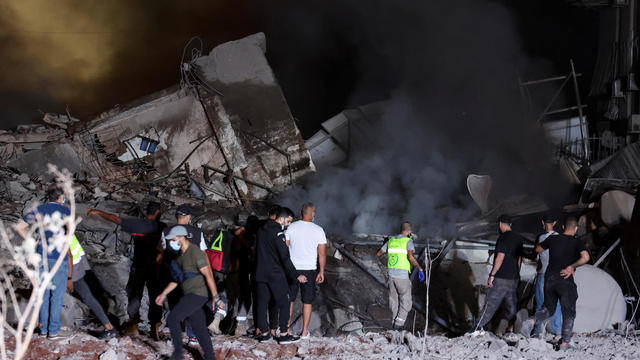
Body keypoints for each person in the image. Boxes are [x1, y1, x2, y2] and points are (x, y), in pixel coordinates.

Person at [87, 202, 165, 337]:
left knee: (135, 293)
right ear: (158, 212)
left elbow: (116, 219)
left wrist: (98, 212)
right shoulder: (162, 227)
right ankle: (155, 323)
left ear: (148, 212)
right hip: (155, 266)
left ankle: (133, 322)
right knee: (155, 294)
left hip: (139, 265)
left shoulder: (137, 224)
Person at [520, 217, 590, 350]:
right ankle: (565, 343)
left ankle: (531, 321)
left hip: (550, 278)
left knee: (548, 308)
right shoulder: (576, 242)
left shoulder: (552, 238)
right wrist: (571, 266)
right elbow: (585, 257)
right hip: (565, 279)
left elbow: (538, 249)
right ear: (576, 229)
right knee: (569, 311)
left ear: (563, 227)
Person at [14, 185, 74, 338]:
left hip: (42, 257)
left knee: (43, 294)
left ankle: (43, 330)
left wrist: (34, 241)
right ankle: (53, 331)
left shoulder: (40, 209)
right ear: (61, 197)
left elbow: (19, 227)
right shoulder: (65, 211)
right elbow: (70, 231)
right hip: (58, 256)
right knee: (57, 295)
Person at [155, 226, 223, 360]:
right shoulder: (179, 257)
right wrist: (163, 294)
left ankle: (178, 355)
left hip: (198, 293)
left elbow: (208, 274)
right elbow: (176, 280)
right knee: (199, 327)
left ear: (181, 237)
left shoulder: (195, 252)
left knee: (173, 318)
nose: (171, 243)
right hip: (188, 294)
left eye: (173, 239)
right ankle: (210, 357)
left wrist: (216, 297)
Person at [254, 207, 307, 344]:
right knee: (284, 302)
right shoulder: (277, 232)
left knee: (261, 303)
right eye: (288, 222)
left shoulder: (260, 229)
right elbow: (285, 257)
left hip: (259, 272)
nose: (289, 225)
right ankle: (284, 334)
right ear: (281, 219)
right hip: (275, 274)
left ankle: (264, 333)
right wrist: (295, 275)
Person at [159, 204, 209, 343]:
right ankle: (192, 335)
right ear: (188, 217)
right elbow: (203, 254)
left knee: (175, 302)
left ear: (177, 216)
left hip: (173, 273)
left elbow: (162, 254)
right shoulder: (197, 233)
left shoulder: (166, 231)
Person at [473, 215, 523, 335]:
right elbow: (519, 260)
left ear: (500, 224)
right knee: (511, 306)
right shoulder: (519, 238)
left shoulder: (503, 238)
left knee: (490, 305)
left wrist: (492, 275)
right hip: (514, 278)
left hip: (501, 278)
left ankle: (476, 329)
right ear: (510, 224)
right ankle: (510, 331)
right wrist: (516, 273)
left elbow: (500, 257)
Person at [285, 203, 327, 338]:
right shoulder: (319, 230)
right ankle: (304, 332)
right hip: (309, 269)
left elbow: (285, 249)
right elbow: (322, 254)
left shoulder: (291, 227)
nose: (315, 214)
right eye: (314, 212)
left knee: (289, 300)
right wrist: (321, 271)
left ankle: (286, 330)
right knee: (307, 301)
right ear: (311, 213)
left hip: (292, 269)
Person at [376, 221, 424, 331]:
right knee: (406, 300)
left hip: (391, 276)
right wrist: (420, 268)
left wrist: (385, 264)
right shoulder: (408, 241)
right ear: (409, 231)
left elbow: (379, 254)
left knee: (394, 299)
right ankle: (399, 325)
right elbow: (411, 257)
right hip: (402, 277)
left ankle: (394, 323)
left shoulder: (391, 241)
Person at [69, 234, 117, 339]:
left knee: (86, 297)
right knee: (88, 297)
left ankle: (55, 326)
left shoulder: (58, 231)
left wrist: (69, 279)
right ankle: (109, 327)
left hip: (71, 270)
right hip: (77, 267)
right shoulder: (68, 228)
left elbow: (69, 255)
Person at [533, 214, 562, 337]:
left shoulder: (540, 238)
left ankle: (537, 330)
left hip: (543, 273)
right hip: (556, 274)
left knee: (540, 302)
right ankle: (557, 330)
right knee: (557, 303)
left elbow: (536, 255)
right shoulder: (560, 237)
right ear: (555, 223)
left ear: (542, 222)